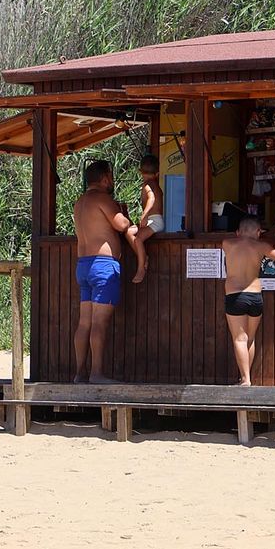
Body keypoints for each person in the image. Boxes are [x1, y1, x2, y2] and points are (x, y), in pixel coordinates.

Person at [71, 159, 140, 383]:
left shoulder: (80, 202)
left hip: (83, 265)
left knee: (85, 322)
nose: (112, 180)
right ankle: (97, 373)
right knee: (99, 323)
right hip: (103, 265)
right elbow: (122, 225)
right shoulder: (103, 199)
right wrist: (123, 212)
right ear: (104, 178)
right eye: (110, 176)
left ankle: (79, 372)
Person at [221, 217, 275, 386]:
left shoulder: (227, 244)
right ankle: (246, 377)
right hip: (255, 296)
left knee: (239, 339)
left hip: (235, 296)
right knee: (250, 338)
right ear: (258, 232)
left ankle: (246, 379)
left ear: (238, 232)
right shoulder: (262, 246)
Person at [122, 154, 161, 284]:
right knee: (129, 231)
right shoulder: (154, 183)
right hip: (153, 220)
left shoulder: (148, 184)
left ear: (140, 172)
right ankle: (143, 256)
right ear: (157, 173)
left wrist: (144, 214)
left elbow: (152, 198)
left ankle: (141, 268)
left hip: (155, 220)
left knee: (138, 238)